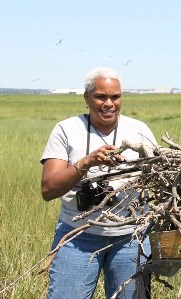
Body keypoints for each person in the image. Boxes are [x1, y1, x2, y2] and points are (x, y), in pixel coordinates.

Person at [40, 67, 157, 298]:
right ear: (86, 98)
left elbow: (162, 175)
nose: (109, 103)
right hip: (77, 236)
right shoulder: (66, 129)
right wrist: (86, 162)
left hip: (131, 237)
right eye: (101, 96)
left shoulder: (139, 130)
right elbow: (48, 188)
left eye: (115, 96)